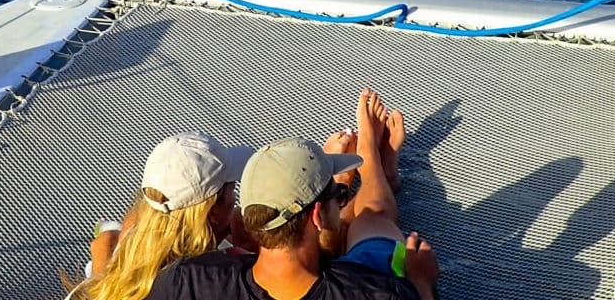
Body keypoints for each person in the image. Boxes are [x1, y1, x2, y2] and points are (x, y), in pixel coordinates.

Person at [145, 89, 439, 300]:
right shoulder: (380, 292)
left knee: (365, 218)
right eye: (338, 194)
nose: (339, 201)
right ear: (317, 215)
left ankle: (375, 168)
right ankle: (372, 160)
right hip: (346, 266)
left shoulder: (186, 279)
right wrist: (421, 283)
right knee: (373, 217)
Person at [70, 130, 250, 300]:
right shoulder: (212, 278)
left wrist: (101, 264)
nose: (235, 201)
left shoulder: (137, 242)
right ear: (213, 210)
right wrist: (249, 248)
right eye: (232, 191)